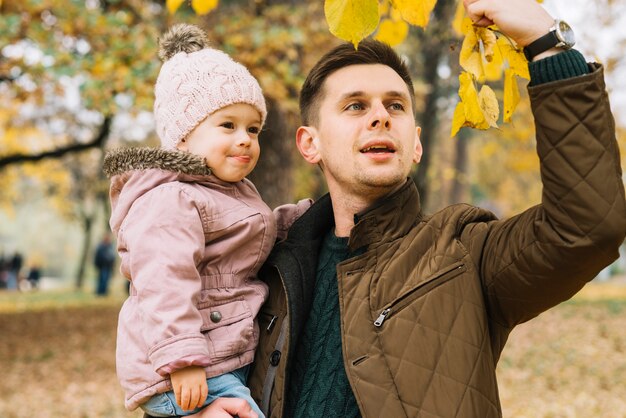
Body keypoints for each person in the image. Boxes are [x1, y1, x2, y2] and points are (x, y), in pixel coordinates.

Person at [186, 0, 626, 416]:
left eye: (395, 106)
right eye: (355, 105)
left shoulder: (463, 253)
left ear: (414, 143)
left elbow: (586, 225)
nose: (380, 116)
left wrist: (545, 43)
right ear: (310, 143)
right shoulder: (262, 263)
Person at [104, 24, 309, 418]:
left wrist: (302, 217)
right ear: (182, 138)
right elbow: (164, 280)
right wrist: (183, 360)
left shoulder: (225, 192)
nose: (246, 138)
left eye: (253, 128)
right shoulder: (170, 198)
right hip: (185, 367)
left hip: (216, 357)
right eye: (228, 126)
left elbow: (256, 232)